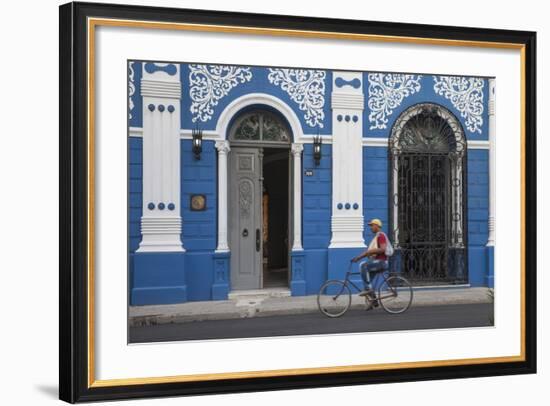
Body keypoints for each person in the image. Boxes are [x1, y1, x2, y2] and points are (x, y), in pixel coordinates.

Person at [351, 218, 390, 309]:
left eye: (372, 225)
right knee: (367, 282)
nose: (371, 227)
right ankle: (374, 302)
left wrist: (369, 252)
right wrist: (358, 257)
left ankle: (369, 290)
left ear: (377, 226)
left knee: (363, 265)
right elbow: (369, 252)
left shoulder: (381, 236)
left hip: (382, 262)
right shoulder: (377, 237)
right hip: (377, 262)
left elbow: (383, 249)